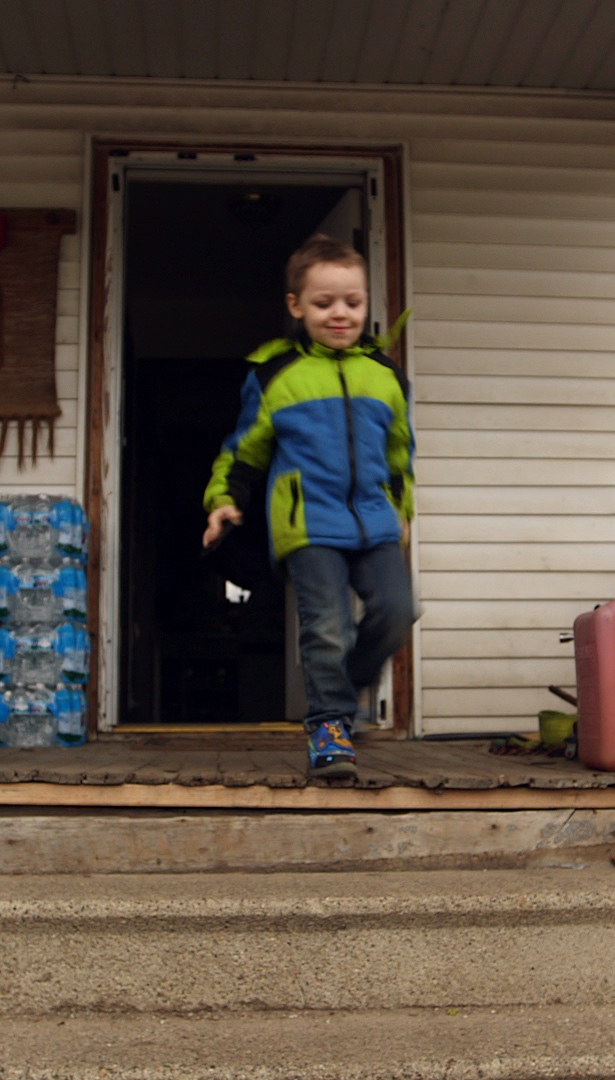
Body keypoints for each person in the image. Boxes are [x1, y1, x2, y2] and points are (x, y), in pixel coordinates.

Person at [203, 234, 416, 779]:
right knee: (327, 628)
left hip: (373, 518)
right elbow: (244, 450)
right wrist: (225, 501)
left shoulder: (386, 376)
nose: (340, 314)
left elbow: (398, 453)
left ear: (367, 303)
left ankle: (342, 694)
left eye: (353, 302)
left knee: (397, 610)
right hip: (308, 524)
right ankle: (330, 726)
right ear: (297, 307)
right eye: (324, 303)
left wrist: (402, 509)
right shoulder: (276, 376)